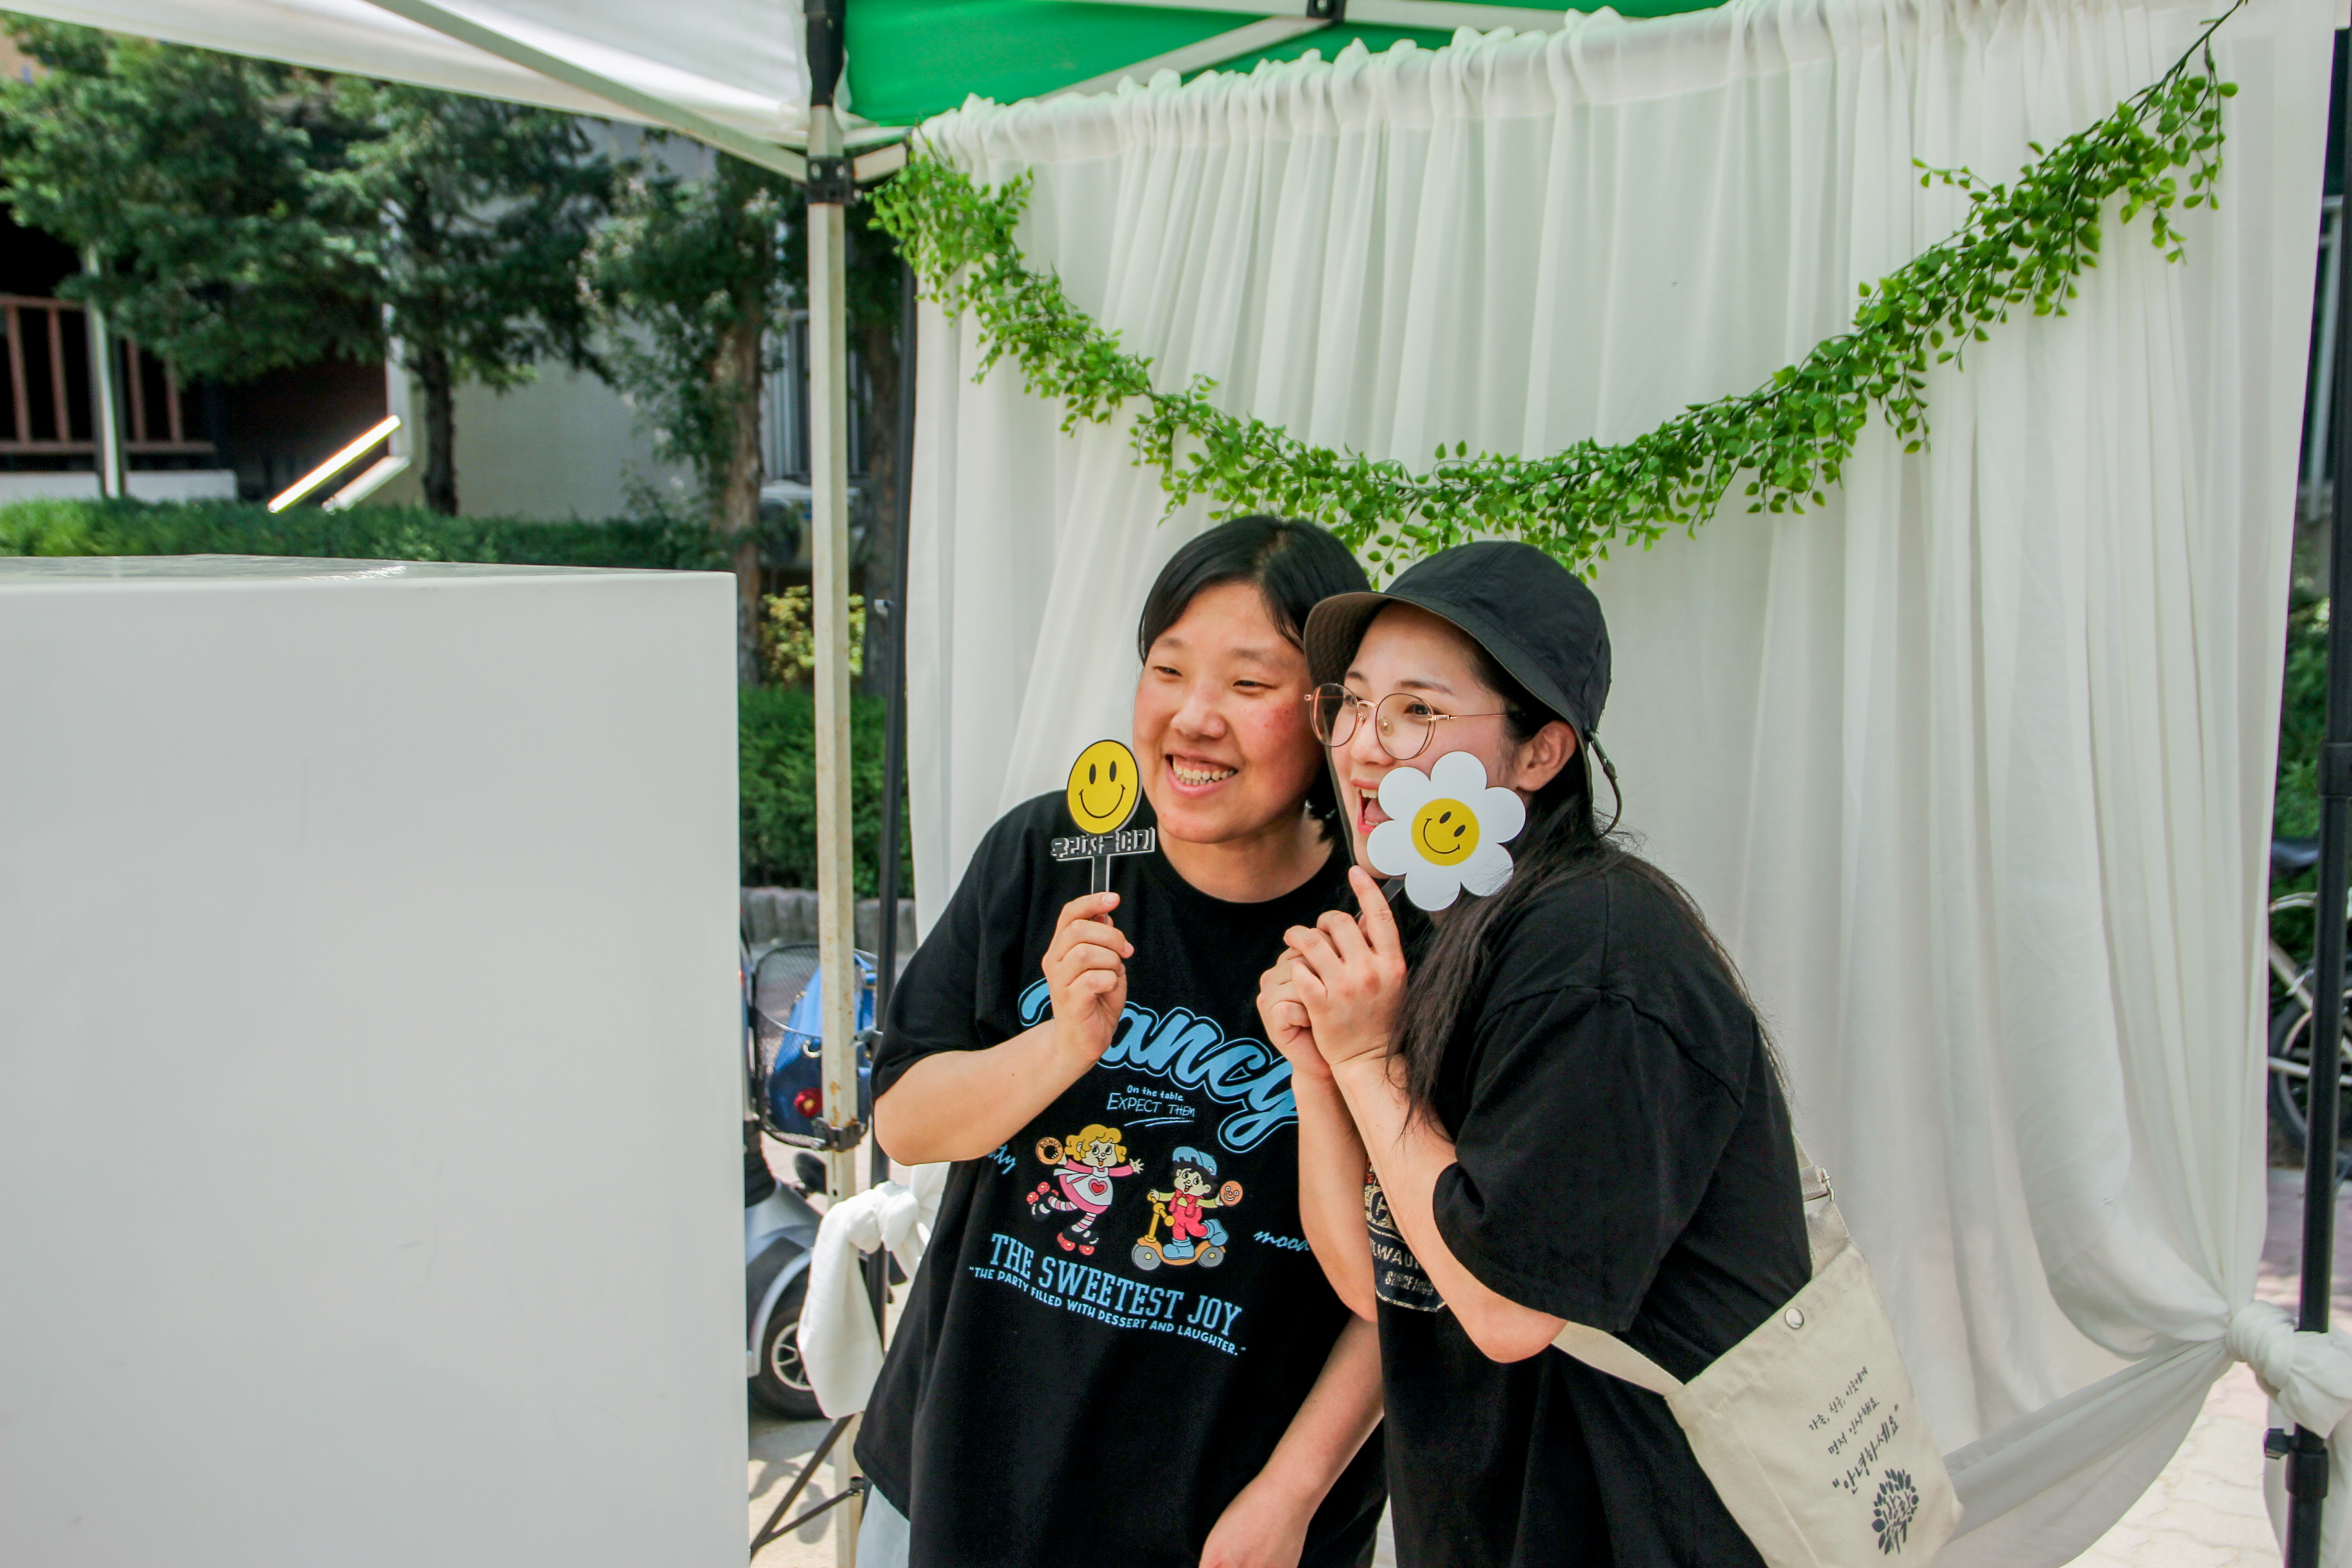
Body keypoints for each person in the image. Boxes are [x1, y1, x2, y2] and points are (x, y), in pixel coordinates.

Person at [1259, 540, 1810, 1568]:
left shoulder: (1598, 952)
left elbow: (1506, 1308)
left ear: (1542, 754)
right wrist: (1318, 1065)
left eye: (1417, 711)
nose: (1363, 748)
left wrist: (1367, 1056)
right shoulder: (1426, 931)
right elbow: (1375, 1283)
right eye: (1354, 703)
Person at [859, 516, 1387, 1568]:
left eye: (1248, 684)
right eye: (1168, 670)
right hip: (965, 1471)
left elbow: (1409, 1276)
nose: (1193, 718)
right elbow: (906, 1123)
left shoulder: (1374, 935)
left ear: (1331, 714)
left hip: (1227, 1521)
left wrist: (1293, 1492)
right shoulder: (1048, 851)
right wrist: (1062, 1046)